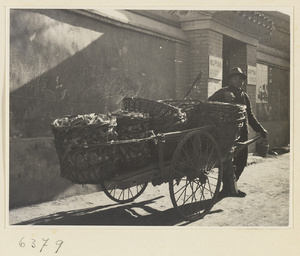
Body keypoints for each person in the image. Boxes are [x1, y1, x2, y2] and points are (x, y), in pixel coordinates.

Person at [208, 67, 268, 197]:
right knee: (226, 161)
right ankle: (226, 188)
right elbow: (208, 103)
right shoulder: (223, 92)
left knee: (241, 161)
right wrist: (222, 96)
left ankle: (230, 186)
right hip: (225, 135)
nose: (238, 81)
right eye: (235, 78)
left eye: (240, 79)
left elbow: (250, 116)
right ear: (230, 80)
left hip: (242, 134)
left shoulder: (244, 96)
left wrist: (260, 129)